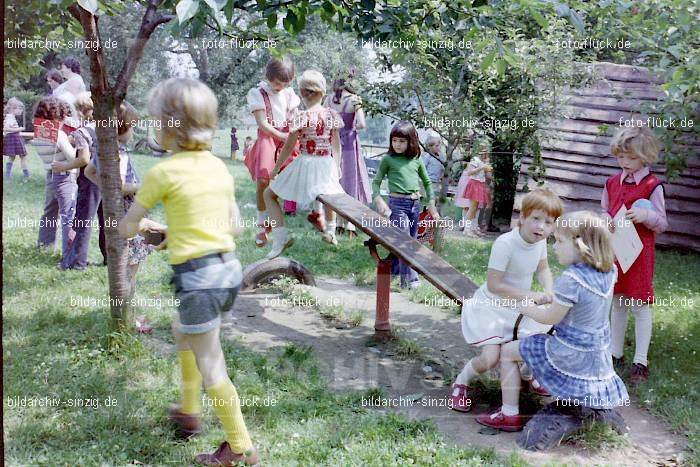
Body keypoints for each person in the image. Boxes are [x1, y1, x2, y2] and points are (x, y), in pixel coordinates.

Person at [119, 78, 258, 466]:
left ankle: (240, 447)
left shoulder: (162, 173)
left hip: (197, 280)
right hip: (227, 271)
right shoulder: (218, 168)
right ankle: (189, 410)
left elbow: (129, 227)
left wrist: (139, 227)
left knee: (212, 363)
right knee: (185, 332)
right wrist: (175, 235)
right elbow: (234, 227)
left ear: (166, 125)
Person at [476, 211, 629, 431]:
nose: (553, 247)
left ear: (580, 245)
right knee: (533, 340)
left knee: (508, 351)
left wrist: (525, 307)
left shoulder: (571, 280)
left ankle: (509, 414)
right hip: (595, 350)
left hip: (569, 351)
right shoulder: (608, 271)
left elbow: (550, 318)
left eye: (559, 241)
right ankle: (536, 383)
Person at [451, 188, 563, 412]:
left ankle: (527, 375)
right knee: (490, 358)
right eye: (536, 219)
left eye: (548, 222)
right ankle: (461, 382)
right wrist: (532, 296)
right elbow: (495, 285)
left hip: (517, 305)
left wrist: (549, 289)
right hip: (493, 306)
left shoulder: (539, 242)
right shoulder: (506, 243)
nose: (541, 227)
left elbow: (543, 268)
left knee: (536, 339)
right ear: (522, 217)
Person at [602, 126, 667, 383]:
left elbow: (662, 223)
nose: (624, 162)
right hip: (616, 251)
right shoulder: (611, 183)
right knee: (618, 301)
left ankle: (641, 360)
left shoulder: (653, 186)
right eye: (620, 157)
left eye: (630, 158)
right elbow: (605, 209)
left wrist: (646, 216)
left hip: (639, 255)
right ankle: (614, 352)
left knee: (639, 304)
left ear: (645, 156)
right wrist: (605, 219)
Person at [263, 70, 346, 259]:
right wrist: (337, 166)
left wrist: (275, 170)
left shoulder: (301, 116)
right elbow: (336, 144)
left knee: (269, 194)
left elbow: (289, 146)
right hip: (326, 163)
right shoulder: (331, 114)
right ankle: (330, 231)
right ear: (322, 93)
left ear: (302, 93)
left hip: (306, 163)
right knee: (330, 193)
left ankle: (281, 237)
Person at [85, 102, 158, 296]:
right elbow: (121, 187)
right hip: (129, 209)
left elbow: (88, 172)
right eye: (131, 127)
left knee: (126, 260)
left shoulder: (103, 150)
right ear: (121, 128)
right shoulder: (119, 153)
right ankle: (127, 307)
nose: (132, 133)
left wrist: (107, 189)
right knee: (132, 263)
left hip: (118, 209)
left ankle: (125, 306)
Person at [372, 121, 439, 289]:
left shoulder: (416, 159)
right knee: (405, 241)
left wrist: (431, 204)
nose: (397, 144)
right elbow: (376, 183)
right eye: (394, 140)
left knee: (412, 242)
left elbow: (427, 183)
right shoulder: (388, 159)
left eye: (402, 141)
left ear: (411, 141)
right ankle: (410, 282)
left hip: (414, 205)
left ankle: (394, 270)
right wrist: (378, 200)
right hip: (397, 206)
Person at [244, 57, 301, 247]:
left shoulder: (289, 94)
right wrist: (283, 136)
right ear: (269, 77)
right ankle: (261, 225)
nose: (280, 87)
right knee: (263, 180)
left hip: (287, 138)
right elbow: (263, 123)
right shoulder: (258, 93)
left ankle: (275, 222)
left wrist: (292, 132)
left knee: (285, 182)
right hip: (269, 137)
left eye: (285, 83)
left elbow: (293, 117)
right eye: (277, 83)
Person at [57, 93, 101, 270]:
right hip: (108, 180)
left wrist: (63, 166)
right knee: (107, 222)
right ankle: (109, 258)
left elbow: (83, 159)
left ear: (81, 111)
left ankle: (77, 262)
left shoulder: (82, 132)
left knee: (82, 222)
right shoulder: (107, 128)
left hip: (89, 181)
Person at [323, 78, 372, 236]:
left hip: (332, 144)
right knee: (351, 182)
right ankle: (350, 224)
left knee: (335, 181)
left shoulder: (328, 99)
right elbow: (362, 124)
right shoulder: (354, 100)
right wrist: (350, 127)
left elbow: (324, 121)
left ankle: (336, 222)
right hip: (350, 145)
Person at [33, 97, 78, 260]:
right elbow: (73, 156)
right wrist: (77, 144)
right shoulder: (58, 134)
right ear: (56, 116)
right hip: (65, 176)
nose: (63, 121)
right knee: (68, 215)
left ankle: (44, 244)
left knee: (49, 212)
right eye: (62, 117)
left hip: (50, 173)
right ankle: (70, 252)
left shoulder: (39, 132)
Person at [455, 141, 492, 236]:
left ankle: (471, 228)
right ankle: (466, 229)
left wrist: (487, 167)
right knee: (471, 208)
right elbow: (469, 172)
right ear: (478, 151)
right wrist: (481, 167)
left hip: (481, 184)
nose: (485, 154)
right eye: (483, 151)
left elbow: (488, 176)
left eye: (486, 151)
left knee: (475, 208)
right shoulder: (475, 160)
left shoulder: (484, 161)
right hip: (474, 184)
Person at [4, 97, 29, 180]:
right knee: (23, 156)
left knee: (12, 157)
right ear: (13, 109)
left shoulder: (10, 116)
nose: (21, 111)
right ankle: (27, 176)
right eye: (20, 109)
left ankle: (8, 175)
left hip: (13, 137)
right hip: (13, 137)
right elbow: (6, 128)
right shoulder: (10, 117)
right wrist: (19, 129)